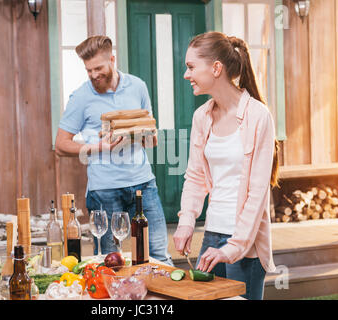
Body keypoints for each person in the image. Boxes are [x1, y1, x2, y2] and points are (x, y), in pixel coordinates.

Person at [173, 31, 279, 300]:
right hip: (212, 235)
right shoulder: (202, 117)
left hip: (245, 244)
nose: (186, 75)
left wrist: (232, 248)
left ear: (216, 68)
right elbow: (196, 177)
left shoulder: (258, 117)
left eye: (191, 67)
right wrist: (186, 221)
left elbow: (257, 193)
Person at [55, 35, 173, 266]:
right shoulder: (81, 97)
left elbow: (151, 137)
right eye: (88, 70)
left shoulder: (138, 86)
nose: (93, 75)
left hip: (143, 184)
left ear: (112, 59)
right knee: (110, 263)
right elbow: (61, 145)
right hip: (104, 191)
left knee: (159, 257)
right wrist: (99, 147)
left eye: (98, 68)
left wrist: (139, 136)